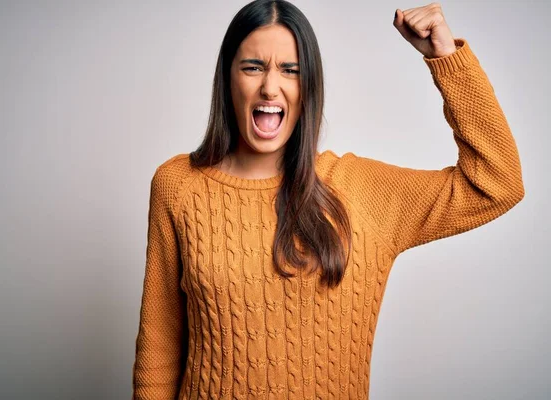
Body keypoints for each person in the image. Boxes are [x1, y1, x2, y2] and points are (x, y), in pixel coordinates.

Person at [132, 0, 525, 399]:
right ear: (228, 78)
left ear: (309, 86)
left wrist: (447, 59)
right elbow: (160, 349)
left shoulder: (360, 190)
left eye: (291, 70)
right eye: (253, 66)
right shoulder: (178, 185)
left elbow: (497, 182)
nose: (271, 86)